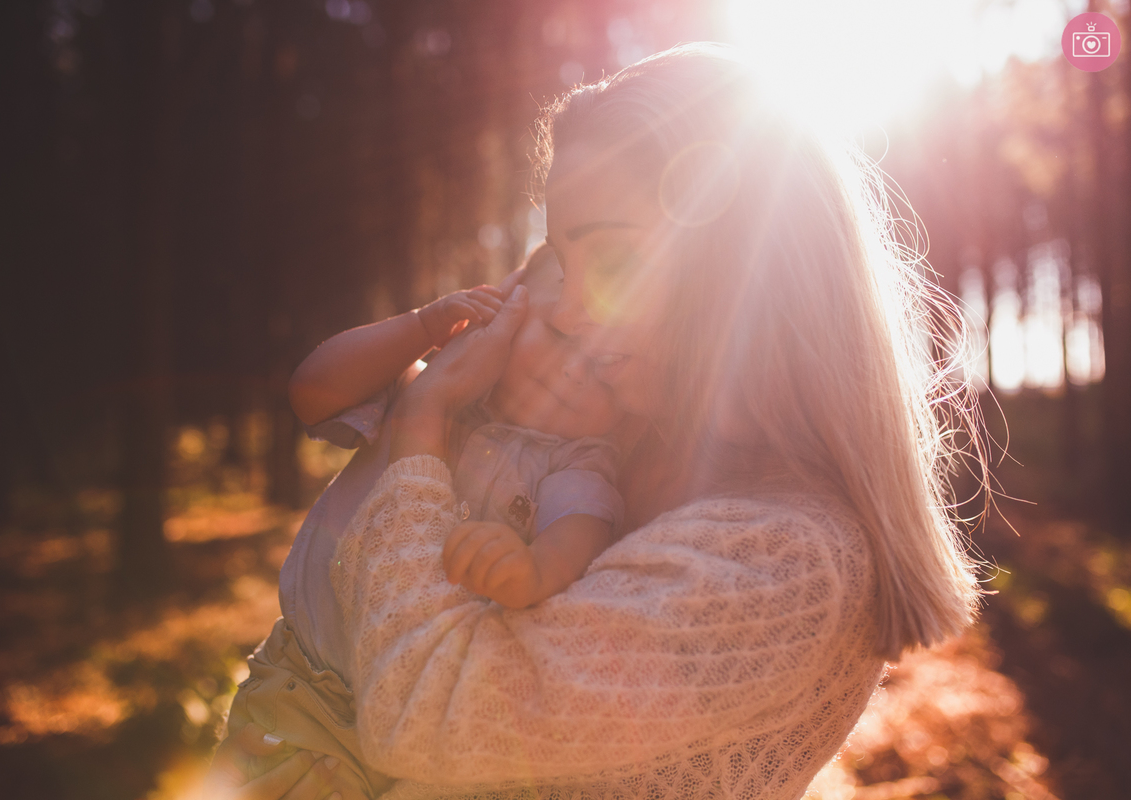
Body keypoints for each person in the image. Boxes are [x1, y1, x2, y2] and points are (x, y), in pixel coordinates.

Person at [210, 42, 981, 800]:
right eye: (560, 268)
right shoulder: (632, 461)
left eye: (611, 262)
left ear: (744, 267)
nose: (572, 314)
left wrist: (419, 430)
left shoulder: (786, 557)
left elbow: (425, 709)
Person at [221, 243, 631, 798]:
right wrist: (422, 327)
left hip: (422, 738)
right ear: (505, 306)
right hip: (302, 704)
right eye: (559, 337)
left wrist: (536, 568)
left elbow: (583, 520)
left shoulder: (573, 456)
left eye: (603, 371)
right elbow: (312, 391)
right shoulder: (419, 383)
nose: (572, 372)